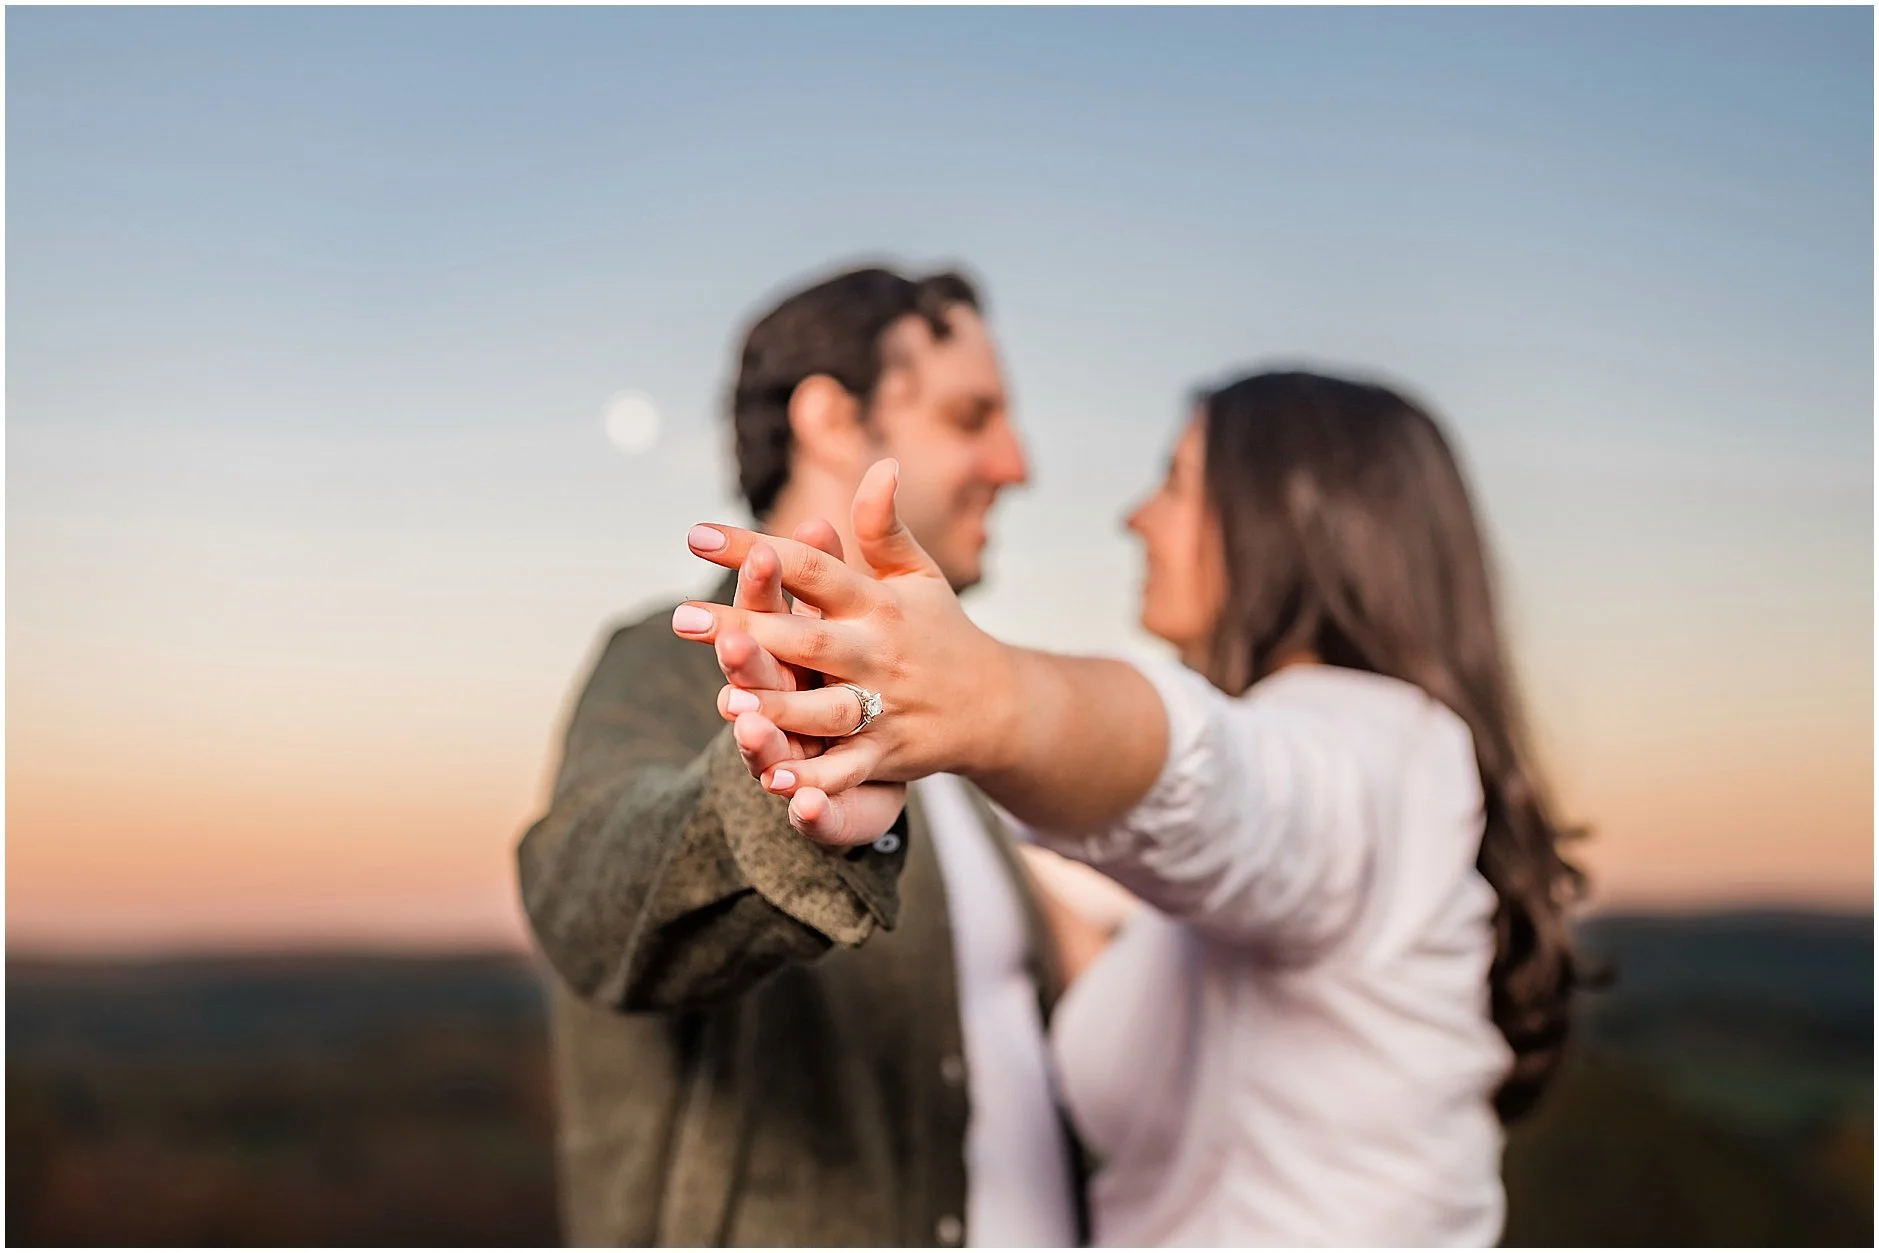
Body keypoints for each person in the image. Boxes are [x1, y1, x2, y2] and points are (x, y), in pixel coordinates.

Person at [674, 369, 1590, 1245]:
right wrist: (937, 812)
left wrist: (986, 702)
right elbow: (1116, 936)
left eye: (1176, 481)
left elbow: (1226, 780)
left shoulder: (1371, 750)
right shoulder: (1264, 881)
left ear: (1290, 521)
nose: (1135, 516)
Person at [516, 264, 1086, 1246]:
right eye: (970, 417)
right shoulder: (664, 664)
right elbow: (585, 896)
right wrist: (777, 794)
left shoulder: (949, 747)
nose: (1015, 461)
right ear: (830, 419)